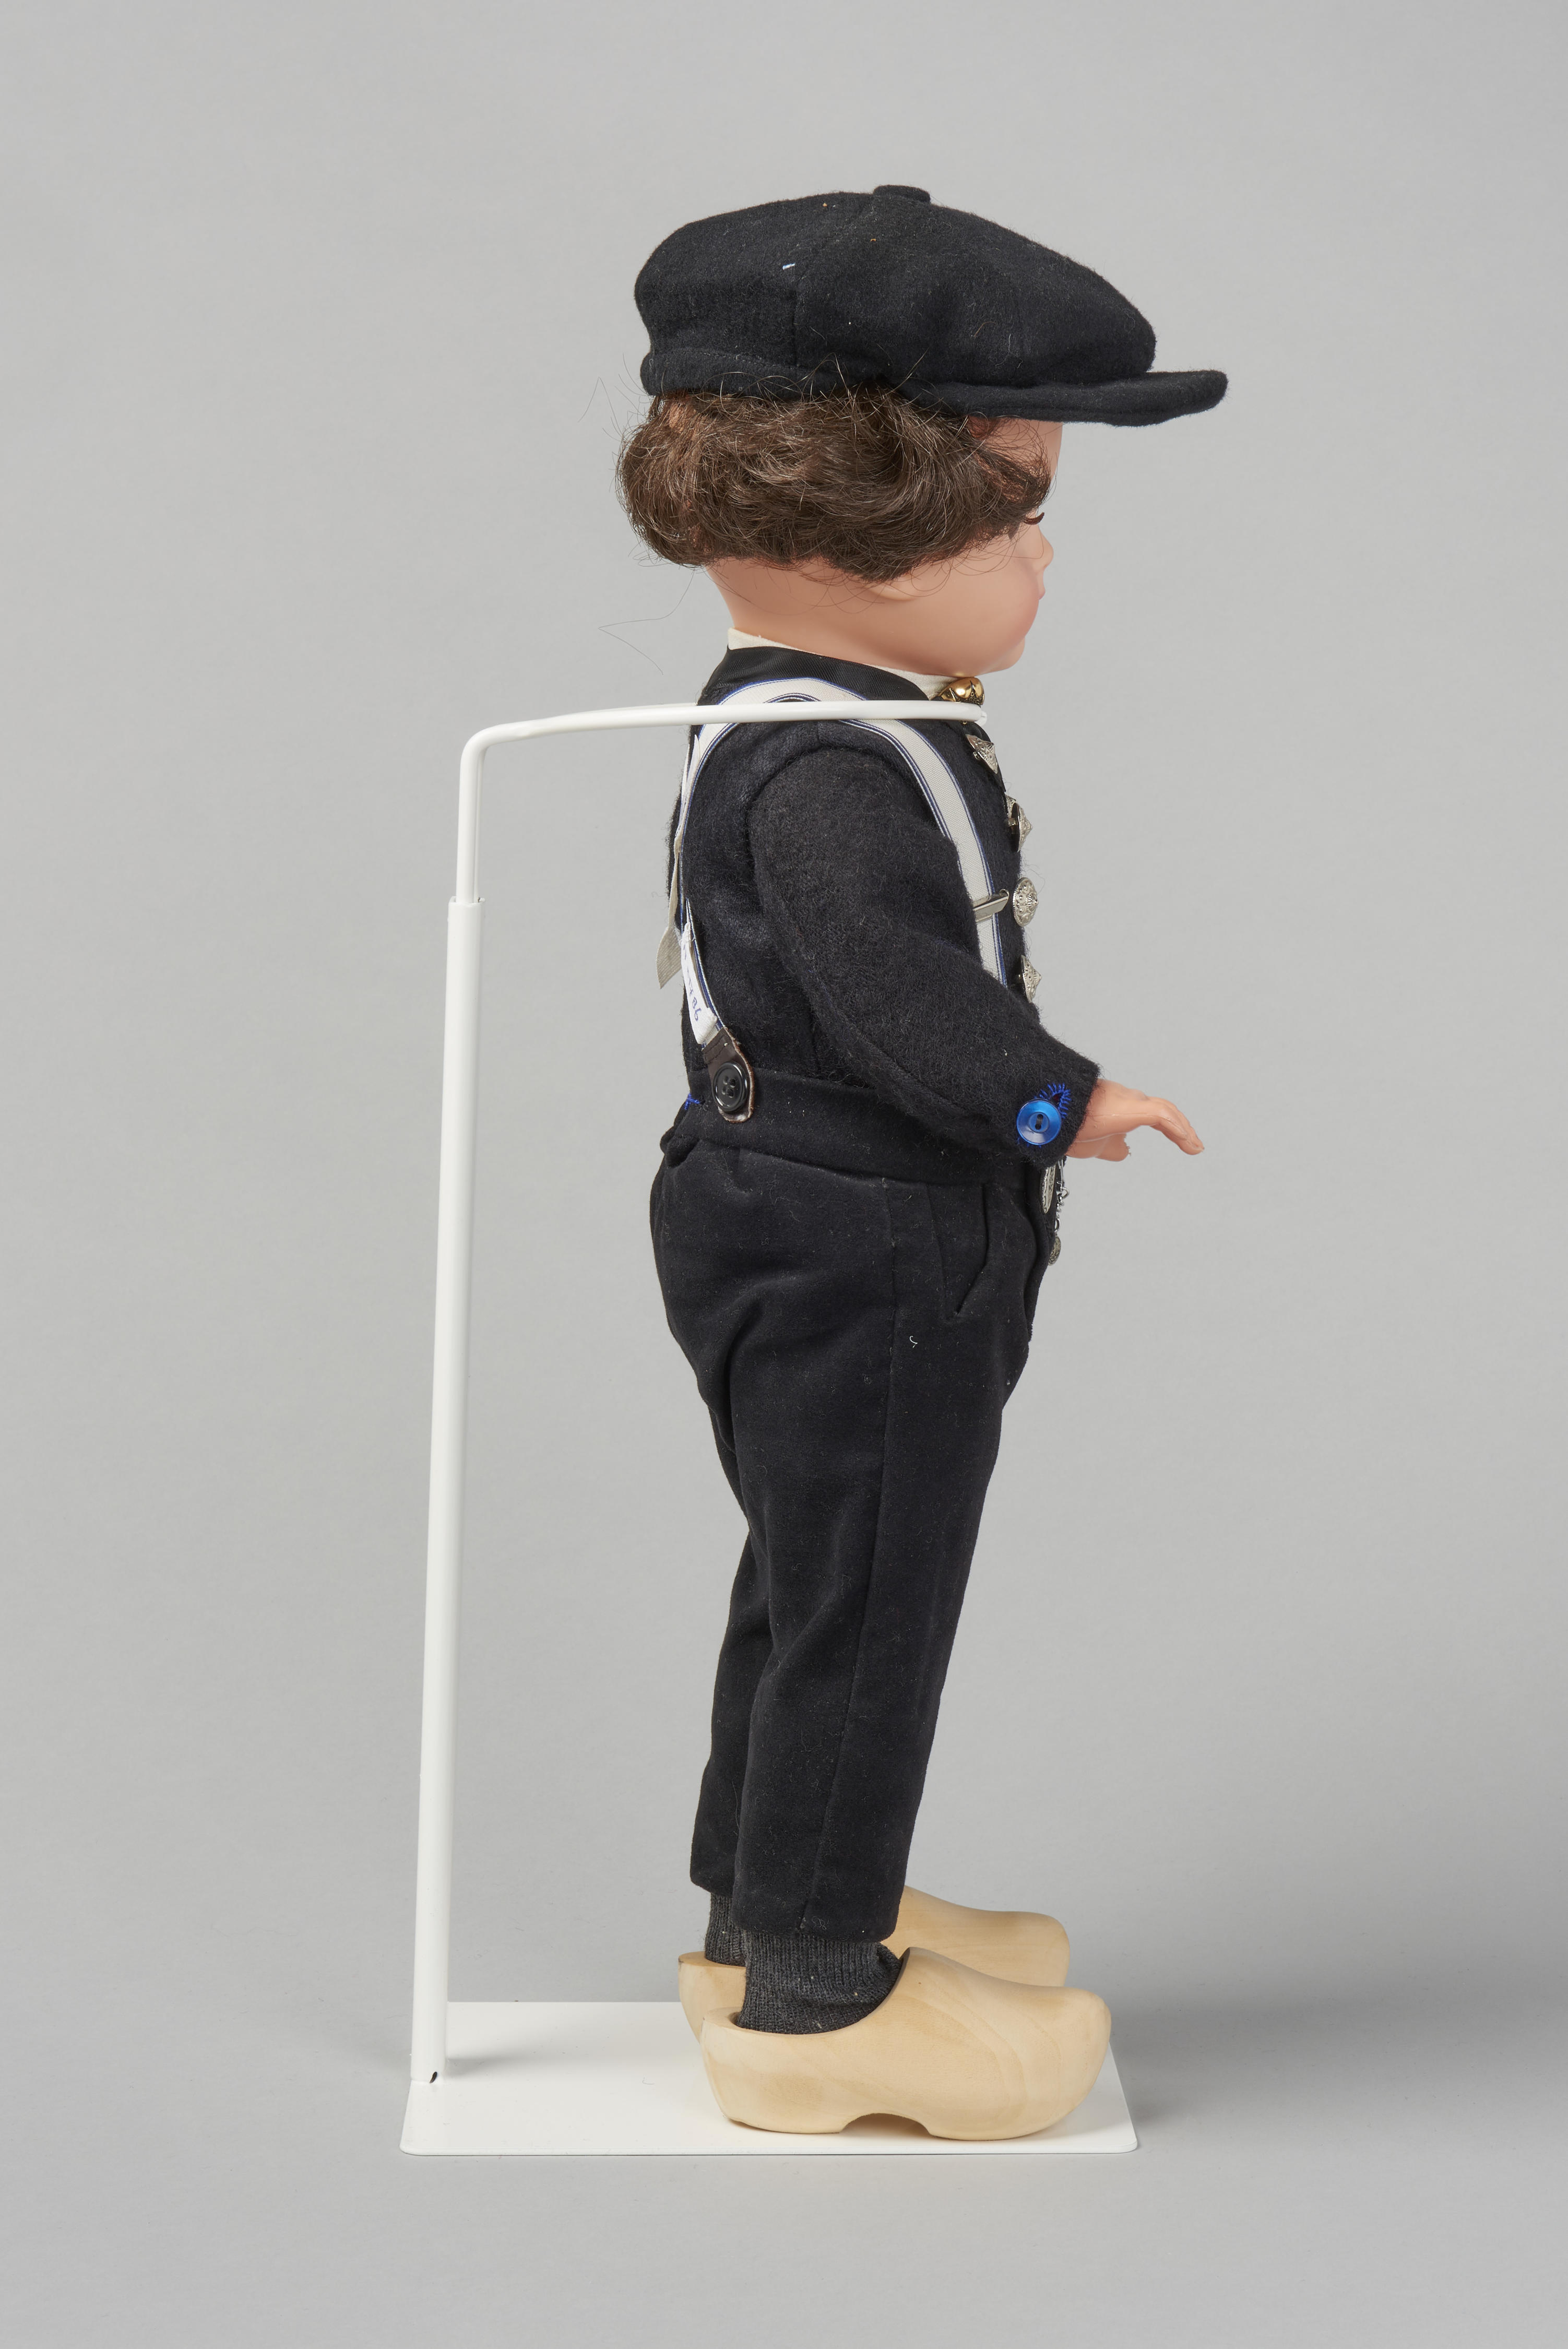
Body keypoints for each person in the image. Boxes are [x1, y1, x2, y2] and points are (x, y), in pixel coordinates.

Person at [618, 186, 1224, 2138]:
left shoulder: (812, 714)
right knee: (870, 1595)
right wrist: (1059, 1097)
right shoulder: (823, 768)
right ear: (844, 539)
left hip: (800, 1203)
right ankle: (816, 1994)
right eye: (1011, 515)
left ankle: (774, 1900)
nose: (1044, 553)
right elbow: (892, 996)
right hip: (859, 1225)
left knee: (816, 1574)